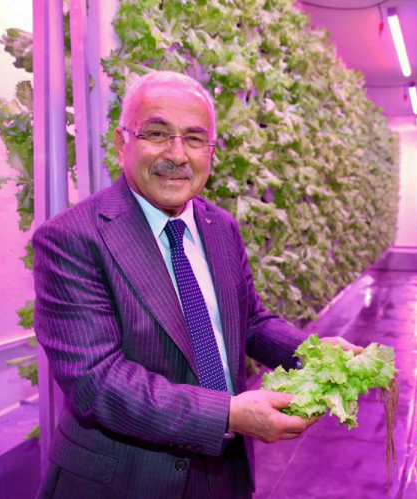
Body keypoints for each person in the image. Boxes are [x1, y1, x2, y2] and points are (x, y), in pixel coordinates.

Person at [33, 70, 362, 498]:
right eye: (157, 133)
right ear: (121, 143)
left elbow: (249, 321)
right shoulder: (72, 238)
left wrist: (313, 352)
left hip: (223, 472)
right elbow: (97, 381)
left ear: (210, 151)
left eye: (194, 138)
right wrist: (226, 415)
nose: (177, 154)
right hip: (126, 479)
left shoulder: (220, 226)